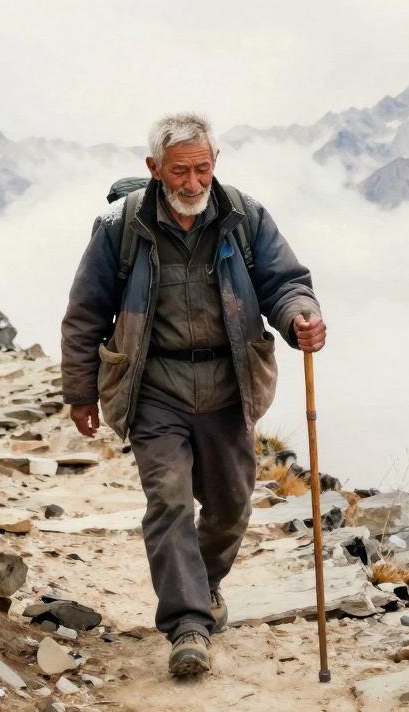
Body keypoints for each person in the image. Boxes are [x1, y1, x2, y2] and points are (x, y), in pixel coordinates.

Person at [60, 113, 325, 676]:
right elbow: (85, 313)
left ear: (215, 164)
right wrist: (80, 392)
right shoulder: (121, 228)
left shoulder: (242, 217)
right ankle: (188, 624)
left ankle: (204, 586)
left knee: (230, 507)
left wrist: (302, 316)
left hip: (230, 384)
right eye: (180, 171)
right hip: (154, 387)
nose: (192, 183)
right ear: (154, 169)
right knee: (172, 501)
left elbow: (284, 282)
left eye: (202, 169)